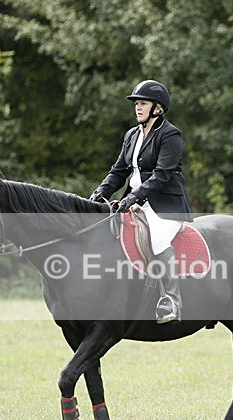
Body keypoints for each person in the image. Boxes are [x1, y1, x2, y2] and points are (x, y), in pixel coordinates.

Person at [89, 80, 193, 324]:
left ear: (157, 108)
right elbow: (118, 171)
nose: (138, 108)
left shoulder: (170, 135)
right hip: (136, 201)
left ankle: (172, 301)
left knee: (157, 238)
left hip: (166, 207)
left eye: (143, 103)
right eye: (136, 103)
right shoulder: (132, 135)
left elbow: (161, 175)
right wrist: (99, 193)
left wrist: (133, 197)